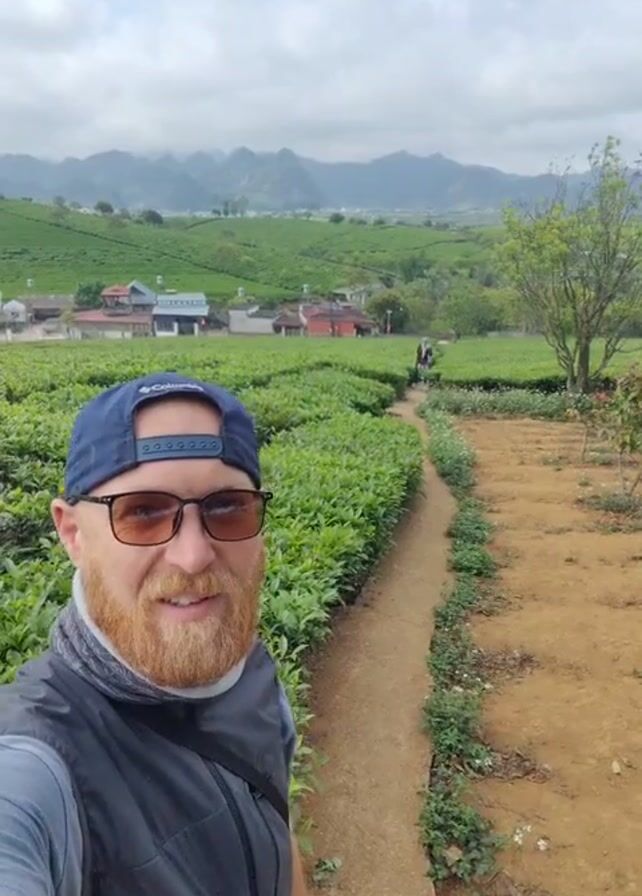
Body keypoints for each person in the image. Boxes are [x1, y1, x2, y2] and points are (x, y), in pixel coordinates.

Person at [0, 372, 308, 896]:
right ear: (72, 534)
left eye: (228, 507)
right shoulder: (35, 767)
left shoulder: (249, 666)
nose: (193, 556)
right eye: (142, 513)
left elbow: (278, 827)